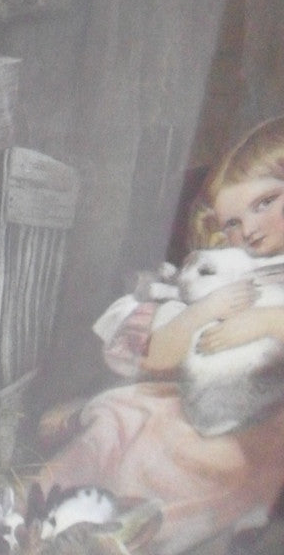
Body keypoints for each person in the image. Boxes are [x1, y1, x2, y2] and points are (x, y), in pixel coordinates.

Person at [37, 119, 284, 555]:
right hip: (200, 402)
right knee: (125, 418)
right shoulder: (231, 268)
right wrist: (204, 311)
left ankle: (133, 535)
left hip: (261, 426)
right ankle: (34, 513)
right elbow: (158, 354)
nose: (249, 229)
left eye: (265, 203)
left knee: (211, 464)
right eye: (232, 222)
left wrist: (263, 322)